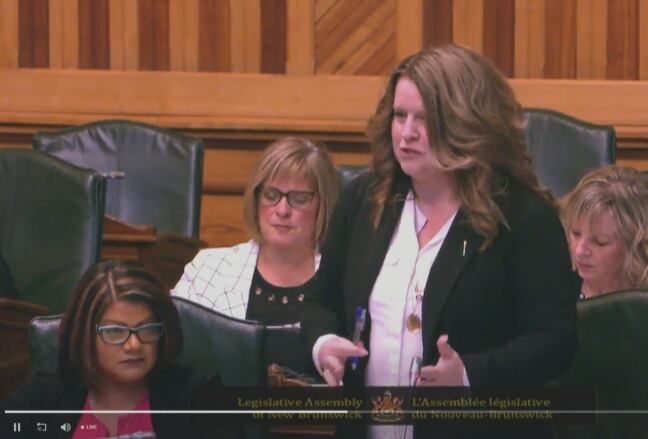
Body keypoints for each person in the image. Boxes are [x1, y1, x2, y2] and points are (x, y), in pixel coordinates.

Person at [302, 44, 579, 438]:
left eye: (425, 119)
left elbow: (556, 342)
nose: (407, 133)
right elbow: (319, 301)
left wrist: (469, 375)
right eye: (400, 116)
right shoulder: (365, 199)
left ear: (466, 122)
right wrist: (324, 344)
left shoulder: (523, 219)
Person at [2, 260, 226, 438]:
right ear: (86, 335)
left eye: (147, 329)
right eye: (115, 332)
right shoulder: (43, 396)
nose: (134, 344)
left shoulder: (199, 394)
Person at [172, 137, 340, 325]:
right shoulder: (208, 270)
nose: (282, 210)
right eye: (271, 195)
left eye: (299, 199)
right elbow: (174, 345)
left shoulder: (342, 280)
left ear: (323, 205)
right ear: (256, 199)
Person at [560, 165, 648, 298]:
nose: (579, 250)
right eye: (576, 233)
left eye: (600, 242)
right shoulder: (553, 292)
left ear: (638, 248)